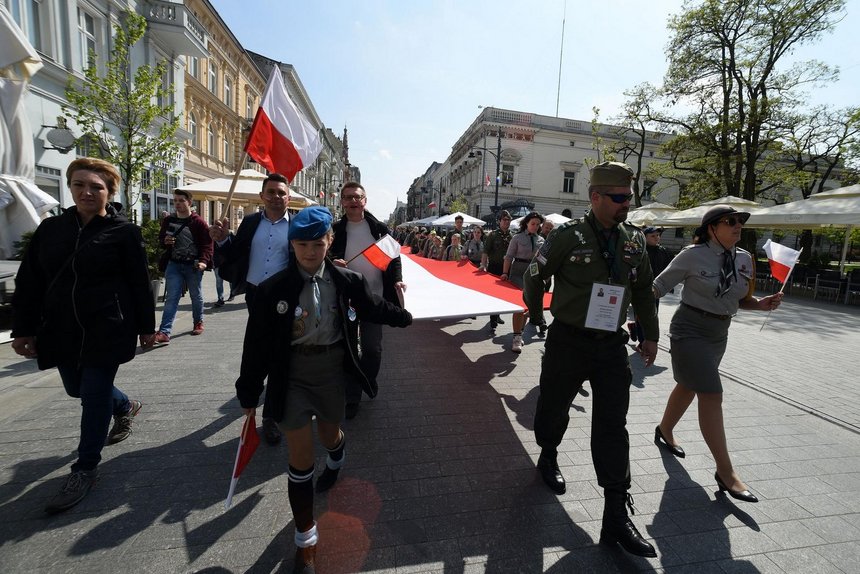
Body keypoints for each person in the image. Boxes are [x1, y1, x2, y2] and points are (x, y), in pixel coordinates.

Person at [235, 206, 412, 573]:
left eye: (317, 244)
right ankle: (306, 538)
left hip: (332, 372)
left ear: (329, 241)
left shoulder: (347, 281)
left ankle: (337, 455)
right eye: (302, 244)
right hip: (292, 377)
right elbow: (255, 345)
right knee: (300, 459)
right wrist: (249, 392)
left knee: (330, 434)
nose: (310, 252)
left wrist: (405, 315)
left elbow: (373, 307)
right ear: (292, 245)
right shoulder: (273, 289)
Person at [523, 161, 659, 557]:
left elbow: (644, 289)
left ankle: (616, 513)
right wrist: (537, 316)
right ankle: (549, 454)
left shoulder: (633, 240)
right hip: (568, 340)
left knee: (613, 425)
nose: (625, 204)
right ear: (595, 196)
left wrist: (650, 334)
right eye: (618, 198)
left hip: (611, 345)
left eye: (628, 197)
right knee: (554, 407)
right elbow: (535, 276)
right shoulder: (567, 235)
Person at [11, 157, 156, 514]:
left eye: (96, 187)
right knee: (77, 388)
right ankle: (125, 405)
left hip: (107, 326)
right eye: (79, 185)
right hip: (61, 327)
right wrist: (23, 328)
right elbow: (30, 281)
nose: (87, 192)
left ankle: (85, 468)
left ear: (110, 192)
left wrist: (146, 328)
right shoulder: (51, 230)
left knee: (92, 395)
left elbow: (140, 283)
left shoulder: (123, 232)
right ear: (70, 187)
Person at [652, 205, 782, 503]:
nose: (738, 226)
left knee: (688, 385)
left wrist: (761, 304)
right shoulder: (692, 255)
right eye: (731, 221)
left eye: (741, 222)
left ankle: (664, 429)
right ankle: (726, 472)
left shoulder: (745, 258)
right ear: (712, 227)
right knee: (711, 393)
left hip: (719, 334)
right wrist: (633, 315)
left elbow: (741, 299)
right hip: (689, 330)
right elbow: (657, 287)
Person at [209, 172, 292, 445]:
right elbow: (235, 253)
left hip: (284, 299)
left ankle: (271, 417)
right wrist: (223, 240)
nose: (276, 197)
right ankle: (249, 404)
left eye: (281, 192)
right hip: (256, 295)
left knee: (280, 355)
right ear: (262, 196)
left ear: (288, 197)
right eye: (271, 192)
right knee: (255, 350)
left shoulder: (296, 225)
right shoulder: (250, 222)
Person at [330, 182, 406, 420]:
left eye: (357, 197)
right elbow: (322, 256)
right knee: (349, 349)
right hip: (346, 300)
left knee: (373, 349)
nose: (353, 201)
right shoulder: (334, 229)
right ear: (342, 201)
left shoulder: (379, 228)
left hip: (374, 298)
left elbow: (394, 257)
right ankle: (352, 396)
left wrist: (398, 280)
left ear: (365, 200)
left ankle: (368, 379)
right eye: (348, 197)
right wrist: (332, 262)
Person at [155, 189, 212, 341]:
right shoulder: (169, 220)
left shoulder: (198, 222)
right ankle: (164, 332)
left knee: (195, 295)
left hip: (193, 265)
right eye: (175, 200)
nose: (177, 203)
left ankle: (198, 322)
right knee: (172, 297)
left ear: (189, 202)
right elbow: (161, 240)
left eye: (181, 200)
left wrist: (203, 261)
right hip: (174, 264)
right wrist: (165, 241)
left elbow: (207, 244)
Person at [501, 211, 545, 353]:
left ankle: (520, 330)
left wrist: (545, 275)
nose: (535, 226)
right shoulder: (517, 238)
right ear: (526, 223)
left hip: (533, 273)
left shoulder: (541, 240)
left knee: (531, 306)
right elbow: (509, 256)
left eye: (538, 224)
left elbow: (543, 259)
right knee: (519, 305)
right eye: (533, 223)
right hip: (518, 272)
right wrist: (505, 273)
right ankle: (517, 337)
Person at [629, 226, 672, 346]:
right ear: (644, 237)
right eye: (653, 236)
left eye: (658, 235)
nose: (656, 238)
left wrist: (668, 285)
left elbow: (670, 269)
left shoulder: (663, 251)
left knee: (652, 314)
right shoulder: (639, 251)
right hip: (639, 288)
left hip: (655, 289)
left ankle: (637, 331)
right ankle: (642, 340)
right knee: (641, 314)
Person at [480, 210, 513, 331]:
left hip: (507, 268)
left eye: (508, 220)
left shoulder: (512, 236)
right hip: (494, 267)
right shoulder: (492, 235)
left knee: (503, 294)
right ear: (499, 221)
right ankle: (493, 319)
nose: (507, 222)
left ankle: (497, 315)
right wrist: (483, 265)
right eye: (504, 220)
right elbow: (485, 252)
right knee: (494, 294)